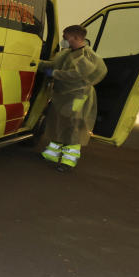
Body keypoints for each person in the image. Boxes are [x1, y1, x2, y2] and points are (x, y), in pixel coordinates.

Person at [39, 24, 107, 171]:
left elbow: (76, 75)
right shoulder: (68, 53)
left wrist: (54, 74)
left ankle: (68, 162)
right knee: (58, 123)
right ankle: (52, 154)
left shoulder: (86, 56)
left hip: (77, 96)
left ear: (75, 37)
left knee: (72, 126)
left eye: (66, 36)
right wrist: (39, 64)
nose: (64, 39)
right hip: (62, 95)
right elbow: (56, 64)